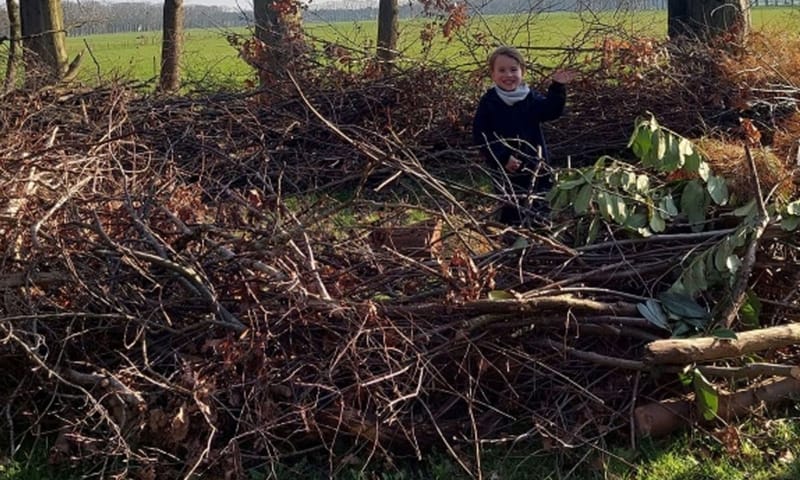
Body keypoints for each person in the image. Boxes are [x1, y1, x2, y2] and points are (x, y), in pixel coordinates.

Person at [472, 46, 576, 226]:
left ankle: (540, 236)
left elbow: (550, 111)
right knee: (512, 205)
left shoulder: (530, 98)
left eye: (514, 70)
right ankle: (512, 237)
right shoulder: (489, 102)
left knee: (540, 202)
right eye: (502, 70)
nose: (508, 75)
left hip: (536, 164)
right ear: (493, 74)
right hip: (505, 167)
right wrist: (503, 156)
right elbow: (481, 134)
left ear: (522, 72)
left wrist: (558, 87)